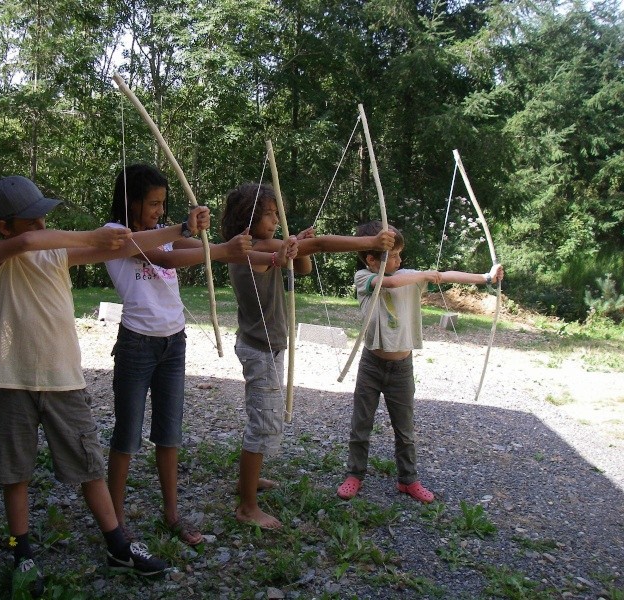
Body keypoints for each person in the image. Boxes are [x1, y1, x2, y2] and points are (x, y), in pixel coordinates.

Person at [0, 175, 208, 595]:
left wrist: (181, 229)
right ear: (4, 227)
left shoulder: (56, 254)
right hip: (14, 379)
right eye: (32, 220)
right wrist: (95, 234)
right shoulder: (0, 252)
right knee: (15, 471)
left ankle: (117, 545)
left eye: (43, 218)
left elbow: (124, 246)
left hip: (64, 378)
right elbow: (31, 244)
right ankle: (22, 551)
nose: (41, 226)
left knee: (88, 465)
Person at [220, 183, 396, 529]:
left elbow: (302, 270)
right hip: (259, 350)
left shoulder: (266, 247)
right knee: (263, 423)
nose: (274, 219)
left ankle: (248, 482)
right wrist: (369, 242)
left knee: (263, 415)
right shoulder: (248, 248)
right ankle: (247, 506)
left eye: (275, 212)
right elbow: (320, 245)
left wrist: (295, 247)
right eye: (269, 213)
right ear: (248, 218)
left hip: (266, 346)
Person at [104, 164, 263, 546]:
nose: (160, 210)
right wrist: (206, 239)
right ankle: (115, 523)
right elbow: (164, 257)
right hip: (136, 343)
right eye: (153, 203)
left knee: (169, 433)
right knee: (126, 436)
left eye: (163, 203)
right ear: (130, 201)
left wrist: (249, 253)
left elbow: (197, 250)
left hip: (173, 341)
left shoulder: (165, 232)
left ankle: (172, 513)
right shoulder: (113, 234)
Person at [337, 220, 504, 504]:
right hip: (371, 363)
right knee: (361, 423)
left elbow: (447, 275)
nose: (401, 261)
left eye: (401, 254)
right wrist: (422, 274)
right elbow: (387, 282)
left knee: (405, 428)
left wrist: (485, 278)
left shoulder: (410, 276)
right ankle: (355, 474)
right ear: (371, 258)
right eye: (394, 255)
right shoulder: (363, 277)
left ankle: (408, 480)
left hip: (402, 367)